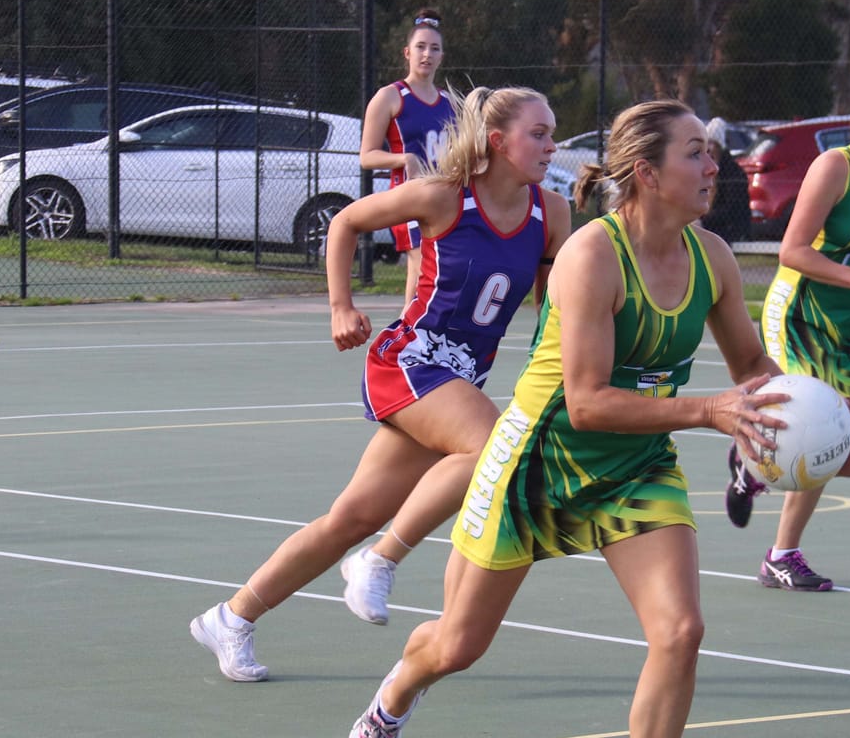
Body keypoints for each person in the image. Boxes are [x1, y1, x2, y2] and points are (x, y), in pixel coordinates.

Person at [339, 100, 786, 738]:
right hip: (539, 463)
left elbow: (750, 361)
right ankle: (397, 692)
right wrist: (708, 410)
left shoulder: (712, 258)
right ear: (646, 172)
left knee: (680, 630)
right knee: (458, 645)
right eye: (695, 153)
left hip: (635, 465)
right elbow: (585, 402)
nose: (713, 165)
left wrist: (790, 409)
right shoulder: (591, 256)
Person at [187, 87, 570, 680]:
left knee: (350, 516)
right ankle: (383, 558)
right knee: (497, 445)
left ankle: (232, 618)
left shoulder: (552, 214)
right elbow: (344, 223)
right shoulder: (445, 196)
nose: (551, 145)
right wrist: (340, 307)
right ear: (498, 142)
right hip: (410, 360)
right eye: (539, 134)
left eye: (552, 133)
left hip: (459, 379)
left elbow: (555, 305)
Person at [724, 52, 850, 591]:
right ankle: (781, 556)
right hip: (803, 314)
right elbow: (790, 251)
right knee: (820, 434)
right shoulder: (835, 168)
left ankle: (750, 465)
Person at [360, 12, 456, 309]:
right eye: (421, 47)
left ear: (442, 56)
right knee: (419, 261)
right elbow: (367, 156)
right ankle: (407, 332)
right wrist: (404, 158)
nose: (427, 54)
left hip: (444, 197)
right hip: (409, 196)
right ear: (407, 52)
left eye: (434, 48)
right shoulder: (390, 96)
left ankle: (421, 329)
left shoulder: (451, 102)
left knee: (442, 271)